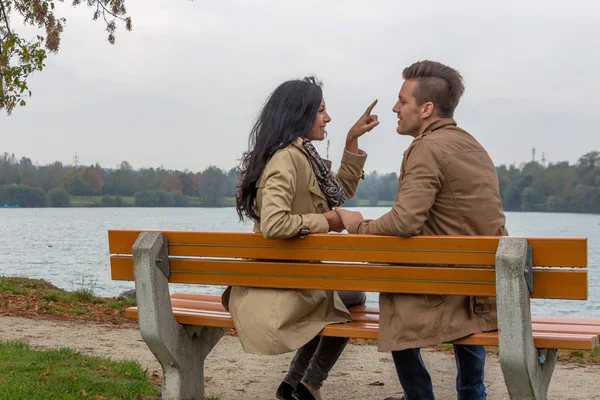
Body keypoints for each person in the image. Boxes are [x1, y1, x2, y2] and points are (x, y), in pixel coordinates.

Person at [336, 60, 508, 400]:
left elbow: (404, 221)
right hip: (482, 292)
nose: (395, 108)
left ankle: (419, 396)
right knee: (446, 293)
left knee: (395, 300)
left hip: (445, 290)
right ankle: (472, 393)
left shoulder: (426, 148)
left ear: (427, 108)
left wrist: (357, 225)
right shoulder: (475, 147)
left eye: (403, 101)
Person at [222, 76, 379, 400]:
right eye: (321, 110)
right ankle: (309, 384)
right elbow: (275, 224)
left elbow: (336, 193)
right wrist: (329, 220)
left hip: (286, 277)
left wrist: (351, 142)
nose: (328, 118)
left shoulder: (299, 154)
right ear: (300, 113)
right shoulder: (286, 160)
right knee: (351, 298)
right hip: (280, 286)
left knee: (339, 297)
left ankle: (294, 384)